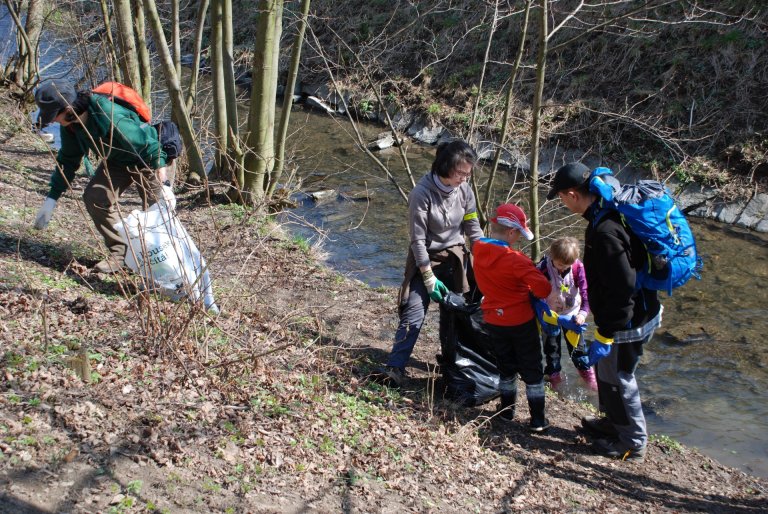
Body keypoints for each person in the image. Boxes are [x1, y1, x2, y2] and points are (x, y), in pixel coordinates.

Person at [547, 162, 662, 461]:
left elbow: (624, 285)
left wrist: (608, 333)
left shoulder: (605, 229)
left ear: (572, 195)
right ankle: (613, 423)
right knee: (607, 372)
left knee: (618, 377)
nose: (561, 202)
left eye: (560, 196)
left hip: (630, 320)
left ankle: (633, 443)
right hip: (631, 315)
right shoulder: (605, 217)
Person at [32, 79, 170, 273]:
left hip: (147, 158)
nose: (53, 120)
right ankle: (122, 254)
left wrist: (163, 175)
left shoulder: (108, 113)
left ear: (69, 108)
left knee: (157, 209)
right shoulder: (71, 125)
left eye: (55, 115)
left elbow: (149, 145)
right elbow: (68, 160)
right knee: (95, 198)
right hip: (117, 161)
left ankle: (167, 262)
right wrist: (52, 198)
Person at [375, 140, 483, 387]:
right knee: (413, 312)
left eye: (468, 174)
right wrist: (427, 275)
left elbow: (472, 226)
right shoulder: (421, 194)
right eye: (460, 174)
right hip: (425, 260)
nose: (465, 179)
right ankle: (395, 367)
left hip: (455, 259)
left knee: (455, 315)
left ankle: (452, 367)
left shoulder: (465, 191)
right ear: (445, 167)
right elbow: (418, 240)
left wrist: (484, 253)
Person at [472, 204, 552, 432]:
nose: (518, 238)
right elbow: (543, 289)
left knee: (505, 366)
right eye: (518, 233)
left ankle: (506, 412)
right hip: (520, 322)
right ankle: (538, 419)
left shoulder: (477, 249)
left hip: (493, 321)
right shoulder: (516, 260)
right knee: (533, 370)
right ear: (509, 231)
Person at [536, 237, 597, 390]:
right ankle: (554, 376)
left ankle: (586, 374)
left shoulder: (578, 268)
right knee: (552, 349)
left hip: (572, 315)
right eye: (560, 265)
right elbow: (538, 298)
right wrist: (547, 315)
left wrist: (583, 313)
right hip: (551, 317)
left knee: (578, 349)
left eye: (567, 265)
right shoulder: (542, 269)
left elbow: (585, 294)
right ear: (552, 257)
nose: (563, 268)